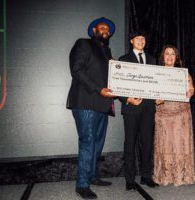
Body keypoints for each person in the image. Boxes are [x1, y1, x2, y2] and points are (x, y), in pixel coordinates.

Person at [66, 17, 116, 199]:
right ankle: (82, 184)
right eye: (102, 27)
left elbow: (111, 79)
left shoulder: (108, 52)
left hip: (103, 104)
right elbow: (76, 70)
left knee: (98, 142)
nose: (106, 30)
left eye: (108, 29)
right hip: (86, 102)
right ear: (94, 30)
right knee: (88, 141)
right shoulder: (84, 44)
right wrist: (98, 89)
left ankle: (93, 176)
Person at [153, 45, 195, 186]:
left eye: (173, 54)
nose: (170, 57)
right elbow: (152, 93)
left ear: (176, 57)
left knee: (181, 144)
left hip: (181, 113)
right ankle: (166, 175)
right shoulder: (157, 73)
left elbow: (191, 89)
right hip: (163, 113)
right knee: (165, 144)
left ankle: (182, 175)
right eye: (167, 54)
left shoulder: (182, 73)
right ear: (163, 57)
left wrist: (189, 93)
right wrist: (156, 99)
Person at [118, 30, 158, 190]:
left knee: (147, 144)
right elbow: (117, 84)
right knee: (130, 144)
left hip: (148, 108)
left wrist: (158, 96)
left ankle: (146, 176)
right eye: (137, 38)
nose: (141, 40)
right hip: (131, 109)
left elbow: (157, 83)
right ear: (131, 41)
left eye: (143, 38)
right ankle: (129, 179)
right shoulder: (123, 59)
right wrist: (127, 99)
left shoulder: (152, 60)